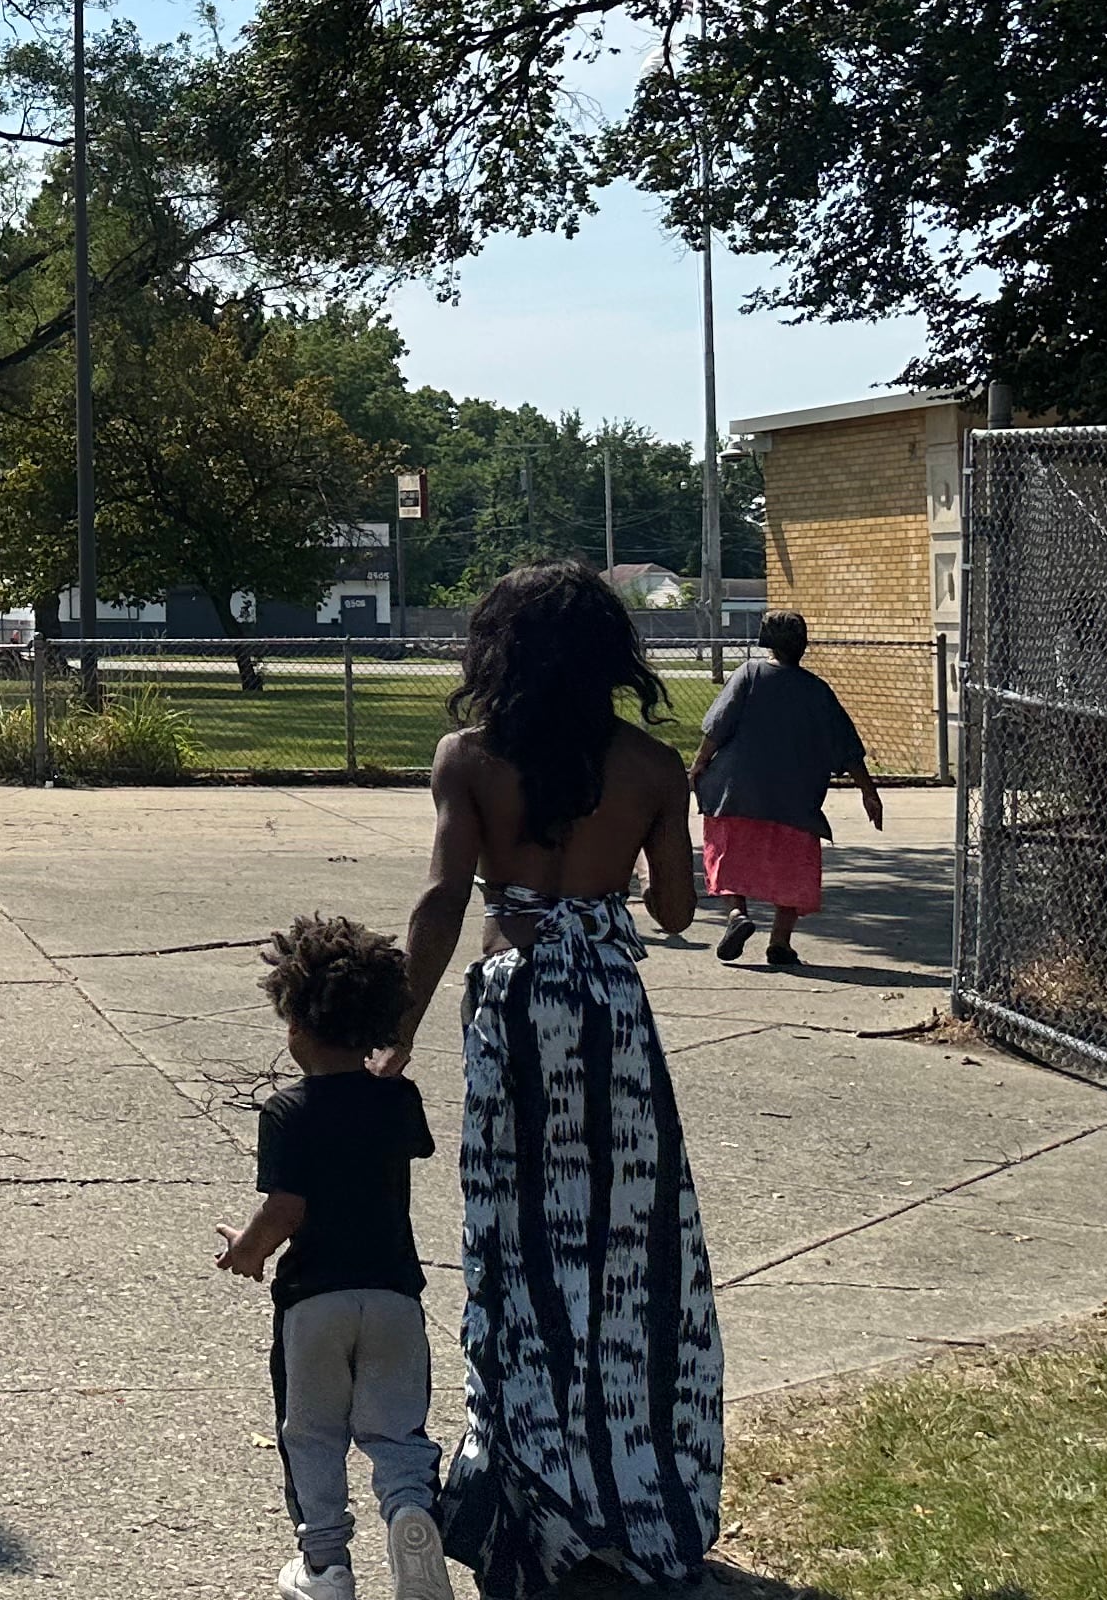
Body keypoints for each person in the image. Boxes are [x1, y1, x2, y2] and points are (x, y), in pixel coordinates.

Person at [381, 562, 722, 1598]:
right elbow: (675, 913)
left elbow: (442, 902)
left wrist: (396, 1036)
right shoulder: (654, 765)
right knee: (626, 1240)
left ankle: (528, 1478)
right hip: (610, 1009)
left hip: (515, 1001)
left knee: (518, 1233)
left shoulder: (470, 759)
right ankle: (627, 1472)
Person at [217, 915, 454, 1600]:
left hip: (314, 1300)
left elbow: (287, 1208)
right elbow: (395, 1134)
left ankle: (325, 1565)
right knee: (396, 1426)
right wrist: (382, 1074)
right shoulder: (397, 1100)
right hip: (393, 1297)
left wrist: (248, 1250)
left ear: (295, 1026)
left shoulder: (287, 1111)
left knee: (313, 1431)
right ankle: (410, 1510)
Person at [691, 609, 882, 968]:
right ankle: (780, 941)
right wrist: (868, 792)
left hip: (736, 792)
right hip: (795, 800)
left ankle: (736, 915)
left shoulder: (748, 675)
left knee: (728, 855)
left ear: (765, 642)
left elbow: (717, 727)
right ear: (803, 646)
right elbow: (846, 745)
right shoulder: (817, 691)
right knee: (794, 867)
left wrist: (700, 764)